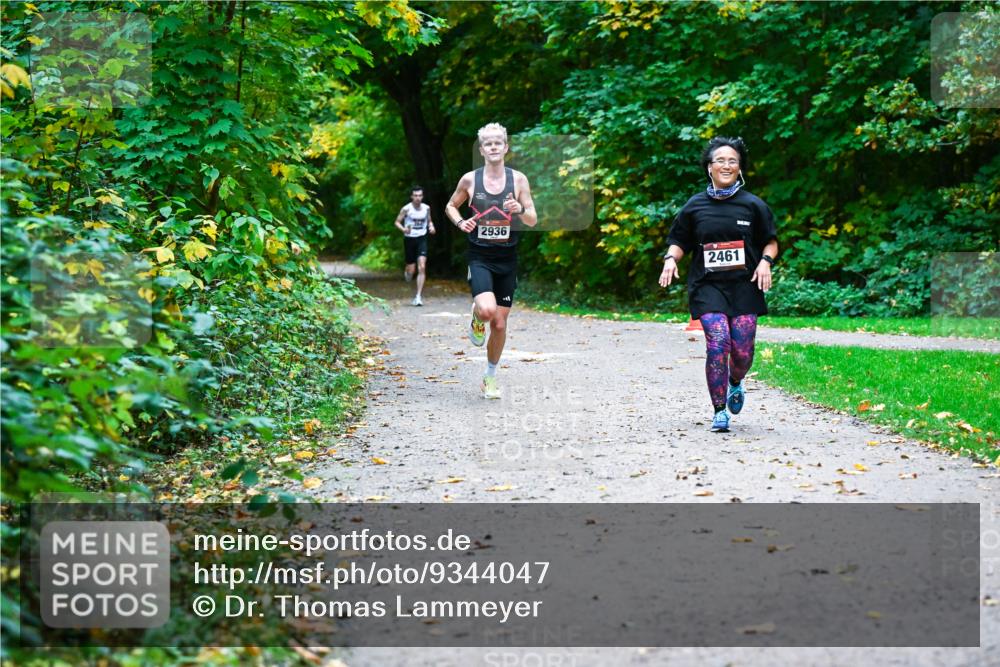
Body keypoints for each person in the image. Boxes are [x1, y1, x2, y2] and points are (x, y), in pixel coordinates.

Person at [659, 136, 778, 432]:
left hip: (745, 286)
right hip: (708, 286)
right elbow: (678, 240)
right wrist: (670, 259)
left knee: (742, 353)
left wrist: (765, 261)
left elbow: (771, 241)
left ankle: (735, 381)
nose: (726, 165)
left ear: (740, 169)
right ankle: (719, 411)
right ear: (709, 168)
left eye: (732, 161)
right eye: (720, 160)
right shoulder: (695, 206)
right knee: (719, 343)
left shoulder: (754, 205)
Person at [445, 123, 537, 399]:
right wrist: (461, 222)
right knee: (486, 312)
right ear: (482, 149)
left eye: (499, 143)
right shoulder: (470, 180)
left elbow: (532, 219)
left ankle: (490, 377)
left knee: (499, 324)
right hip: (480, 256)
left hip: (508, 258)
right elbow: (450, 206)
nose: (494, 147)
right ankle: (476, 316)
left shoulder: (518, 180)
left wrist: (519, 209)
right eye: (489, 143)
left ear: (506, 147)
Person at [394, 186, 435, 306]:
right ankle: (408, 273)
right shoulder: (406, 209)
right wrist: (404, 229)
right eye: (415, 195)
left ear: (422, 196)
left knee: (422, 266)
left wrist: (431, 226)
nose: (418, 198)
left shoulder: (426, 208)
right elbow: (397, 222)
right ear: (412, 196)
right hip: (409, 239)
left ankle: (418, 296)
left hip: (422, 238)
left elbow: (429, 221)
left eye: (420, 195)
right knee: (411, 270)